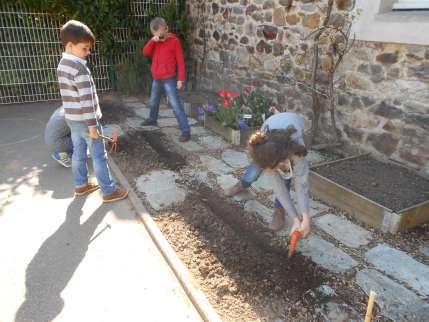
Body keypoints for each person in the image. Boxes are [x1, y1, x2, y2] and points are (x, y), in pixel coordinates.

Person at [57, 20, 128, 202]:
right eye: (85, 48)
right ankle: (108, 191)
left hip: (72, 120)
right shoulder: (79, 68)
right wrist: (92, 127)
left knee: (79, 153)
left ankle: (81, 185)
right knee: (99, 155)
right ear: (71, 45)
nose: (88, 53)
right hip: (87, 121)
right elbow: (87, 101)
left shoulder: (62, 64)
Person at [228, 112, 310, 236]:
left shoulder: (296, 151)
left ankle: (279, 210)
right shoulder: (262, 147)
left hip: (290, 135)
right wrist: (295, 219)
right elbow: (278, 188)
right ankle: (243, 183)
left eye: (278, 165)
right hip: (270, 135)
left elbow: (301, 186)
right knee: (255, 169)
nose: (276, 170)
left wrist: (305, 219)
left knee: (286, 178)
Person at [140, 17, 191, 142]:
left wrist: (180, 79)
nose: (156, 35)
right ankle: (152, 119)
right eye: (154, 33)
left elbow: (180, 61)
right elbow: (145, 52)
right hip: (157, 78)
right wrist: (152, 41)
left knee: (175, 105)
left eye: (158, 32)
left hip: (169, 78)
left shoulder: (174, 41)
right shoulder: (155, 42)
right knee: (153, 101)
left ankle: (186, 131)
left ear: (164, 28)